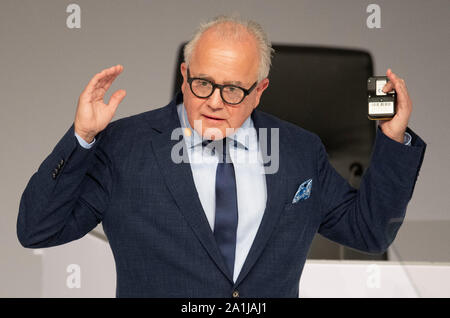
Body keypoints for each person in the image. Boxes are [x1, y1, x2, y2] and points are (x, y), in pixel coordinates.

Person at [17, 15, 426, 298]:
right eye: (202, 84)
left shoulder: (300, 151)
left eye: (233, 90)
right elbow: (37, 229)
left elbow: (371, 232)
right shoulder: (125, 147)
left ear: (260, 90)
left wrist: (392, 139)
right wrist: (83, 137)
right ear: (184, 75)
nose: (214, 102)